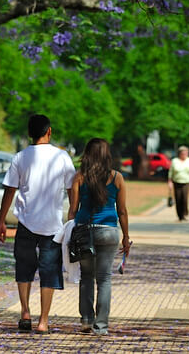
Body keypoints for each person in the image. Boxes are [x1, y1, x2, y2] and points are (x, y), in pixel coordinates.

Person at [0, 113, 76, 334]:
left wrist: (1, 220)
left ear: (29, 133)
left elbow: (9, 190)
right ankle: (43, 321)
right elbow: (72, 189)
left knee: (24, 267)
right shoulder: (62, 158)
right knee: (49, 271)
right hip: (52, 226)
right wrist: (73, 211)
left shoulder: (20, 157)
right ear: (49, 132)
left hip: (25, 223)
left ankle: (24, 312)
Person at [66, 138, 132, 337]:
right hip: (109, 230)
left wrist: (70, 230)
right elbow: (122, 211)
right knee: (104, 279)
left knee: (87, 277)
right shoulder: (117, 177)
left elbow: (73, 210)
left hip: (85, 230)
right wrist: (126, 237)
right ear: (106, 155)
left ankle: (86, 320)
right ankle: (101, 326)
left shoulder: (79, 177)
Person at [167, 146, 189, 221]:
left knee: (184, 198)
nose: (184, 155)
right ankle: (180, 215)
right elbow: (171, 172)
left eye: (186, 153)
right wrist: (170, 181)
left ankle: (184, 212)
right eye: (183, 153)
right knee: (178, 198)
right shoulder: (175, 161)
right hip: (177, 181)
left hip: (186, 182)